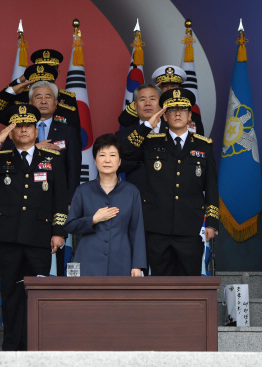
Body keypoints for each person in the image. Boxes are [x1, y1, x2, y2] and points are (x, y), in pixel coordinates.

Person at [0, 104, 68, 351]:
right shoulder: (2, 156)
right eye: (19, 126)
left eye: (29, 126)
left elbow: (60, 197)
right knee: (11, 293)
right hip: (9, 236)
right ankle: (12, 345)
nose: (24, 130)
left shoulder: (52, 159)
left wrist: (59, 232)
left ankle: (35, 344)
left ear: (37, 132)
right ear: (12, 131)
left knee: (37, 292)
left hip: (40, 236)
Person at [121, 88, 219, 276]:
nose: (177, 114)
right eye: (172, 110)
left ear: (190, 115)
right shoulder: (150, 142)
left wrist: (212, 223)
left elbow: (211, 186)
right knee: (160, 286)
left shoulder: (203, 145)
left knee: (190, 285)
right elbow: (125, 152)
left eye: (182, 110)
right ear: (164, 116)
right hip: (157, 227)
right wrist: (146, 126)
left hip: (190, 226)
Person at [64, 134, 146, 276]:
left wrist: (137, 265)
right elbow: (70, 225)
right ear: (95, 160)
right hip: (88, 261)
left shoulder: (131, 191)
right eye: (102, 155)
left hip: (121, 261)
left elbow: (137, 230)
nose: (107, 160)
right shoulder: (83, 190)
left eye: (112, 155)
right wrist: (93, 219)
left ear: (119, 161)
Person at [119, 65, 204, 136]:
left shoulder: (192, 116)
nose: (169, 90)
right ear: (159, 89)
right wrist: (150, 94)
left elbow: (198, 143)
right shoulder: (149, 111)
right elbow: (124, 120)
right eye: (165, 86)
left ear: (180, 89)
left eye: (173, 86)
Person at [115, 84, 164, 195]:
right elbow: (116, 164)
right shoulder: (123, 135)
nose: (147, 103)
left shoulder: (173, 132)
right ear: (135, 107)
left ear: (161, 105)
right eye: (142, 99)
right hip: (137, 200)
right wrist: (139, 160)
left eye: (152, 99)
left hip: (168, 201)